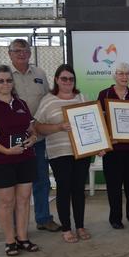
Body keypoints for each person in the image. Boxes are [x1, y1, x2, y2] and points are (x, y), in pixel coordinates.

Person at [0, 65, 40, 256]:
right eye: (0, 81)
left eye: (9, 80)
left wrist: (34, 138)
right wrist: (6, 151)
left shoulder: (21, 104)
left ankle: (23, 238)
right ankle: (10, 241)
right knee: (6, 202)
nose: (5, 84)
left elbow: (31, 129)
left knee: (24, 199)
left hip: (25, 158)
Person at [34, 64, 96, 243]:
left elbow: (93, 123)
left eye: (71, 79)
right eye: (64, 79)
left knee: (78, 189)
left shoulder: (82, 97)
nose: (68, 82)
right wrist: (59, 127)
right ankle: (67, 228)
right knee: (64, 189)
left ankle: (80, 225)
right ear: (56, 80)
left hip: (81, 152)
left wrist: (98, 143)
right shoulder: (48, 100)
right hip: (59, 152)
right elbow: (38, 127)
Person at [8, 39, 61, 232]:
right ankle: (14, 226)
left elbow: (48, 99)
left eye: (25, 51)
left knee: (41, 180)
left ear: (30, 53)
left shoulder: (39, 73)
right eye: (17, 51)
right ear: (10, 54)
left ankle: (43, 218)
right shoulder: (4, 75)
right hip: (13, 138)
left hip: (37, 136)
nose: (21, 54)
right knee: (15, 183)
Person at [97, 62, 129, 229]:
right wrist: (102, 144)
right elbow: (100, 121)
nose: (124, 77)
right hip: (113, 149)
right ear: (114, 75)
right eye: (121, 73)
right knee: (114, 186)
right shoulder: (104, 94)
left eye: (128, 74)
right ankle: (115, 218)